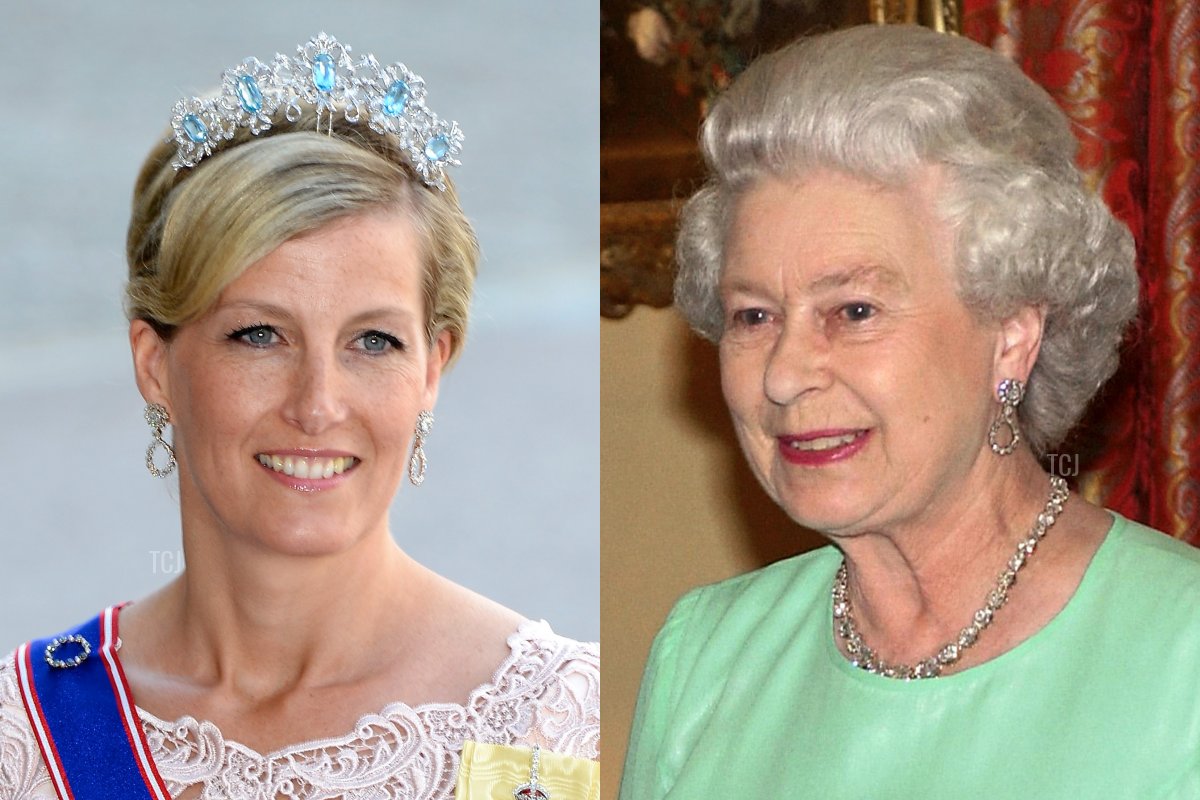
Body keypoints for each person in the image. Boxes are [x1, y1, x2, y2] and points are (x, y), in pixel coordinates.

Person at [0, 34, 598, 799]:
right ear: (155, 363)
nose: (317, 405)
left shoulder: (559, 730)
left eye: (373, 342)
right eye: (259, 336)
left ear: (432, 367)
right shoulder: (31, 735)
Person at [619, 23, 1200, 798]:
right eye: (753, 316)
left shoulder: (1179, 658)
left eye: (853, 311)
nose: (785, 376)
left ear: (1012, 335)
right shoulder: (707, 656)